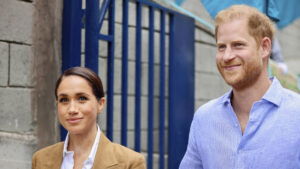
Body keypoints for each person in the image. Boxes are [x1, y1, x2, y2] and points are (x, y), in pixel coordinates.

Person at [180, 5, 300, 169]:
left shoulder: (296, 114)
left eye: (238, 45)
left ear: (264, 47)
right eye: (222, 47)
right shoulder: (204, 118)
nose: (227, 56)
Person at [32, 67, 146, 169]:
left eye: (82, 98)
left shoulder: (130, 163)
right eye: (64, 100)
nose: (72, 109)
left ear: (100, 104)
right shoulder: (41, 159)